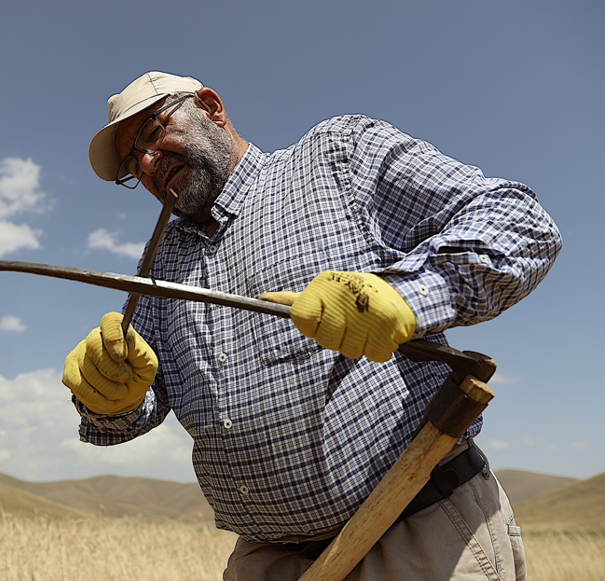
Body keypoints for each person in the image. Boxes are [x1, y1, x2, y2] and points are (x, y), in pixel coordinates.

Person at [62, 71, 561, 581]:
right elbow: (136, 404)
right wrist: (108, 399)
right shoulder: (158, 268)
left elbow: (519, 222)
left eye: (151, 133)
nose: (147, 164)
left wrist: (404, 297)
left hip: (417, 532)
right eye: (131, 165)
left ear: (211, 107)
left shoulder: (336, 157)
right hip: (266, 559)